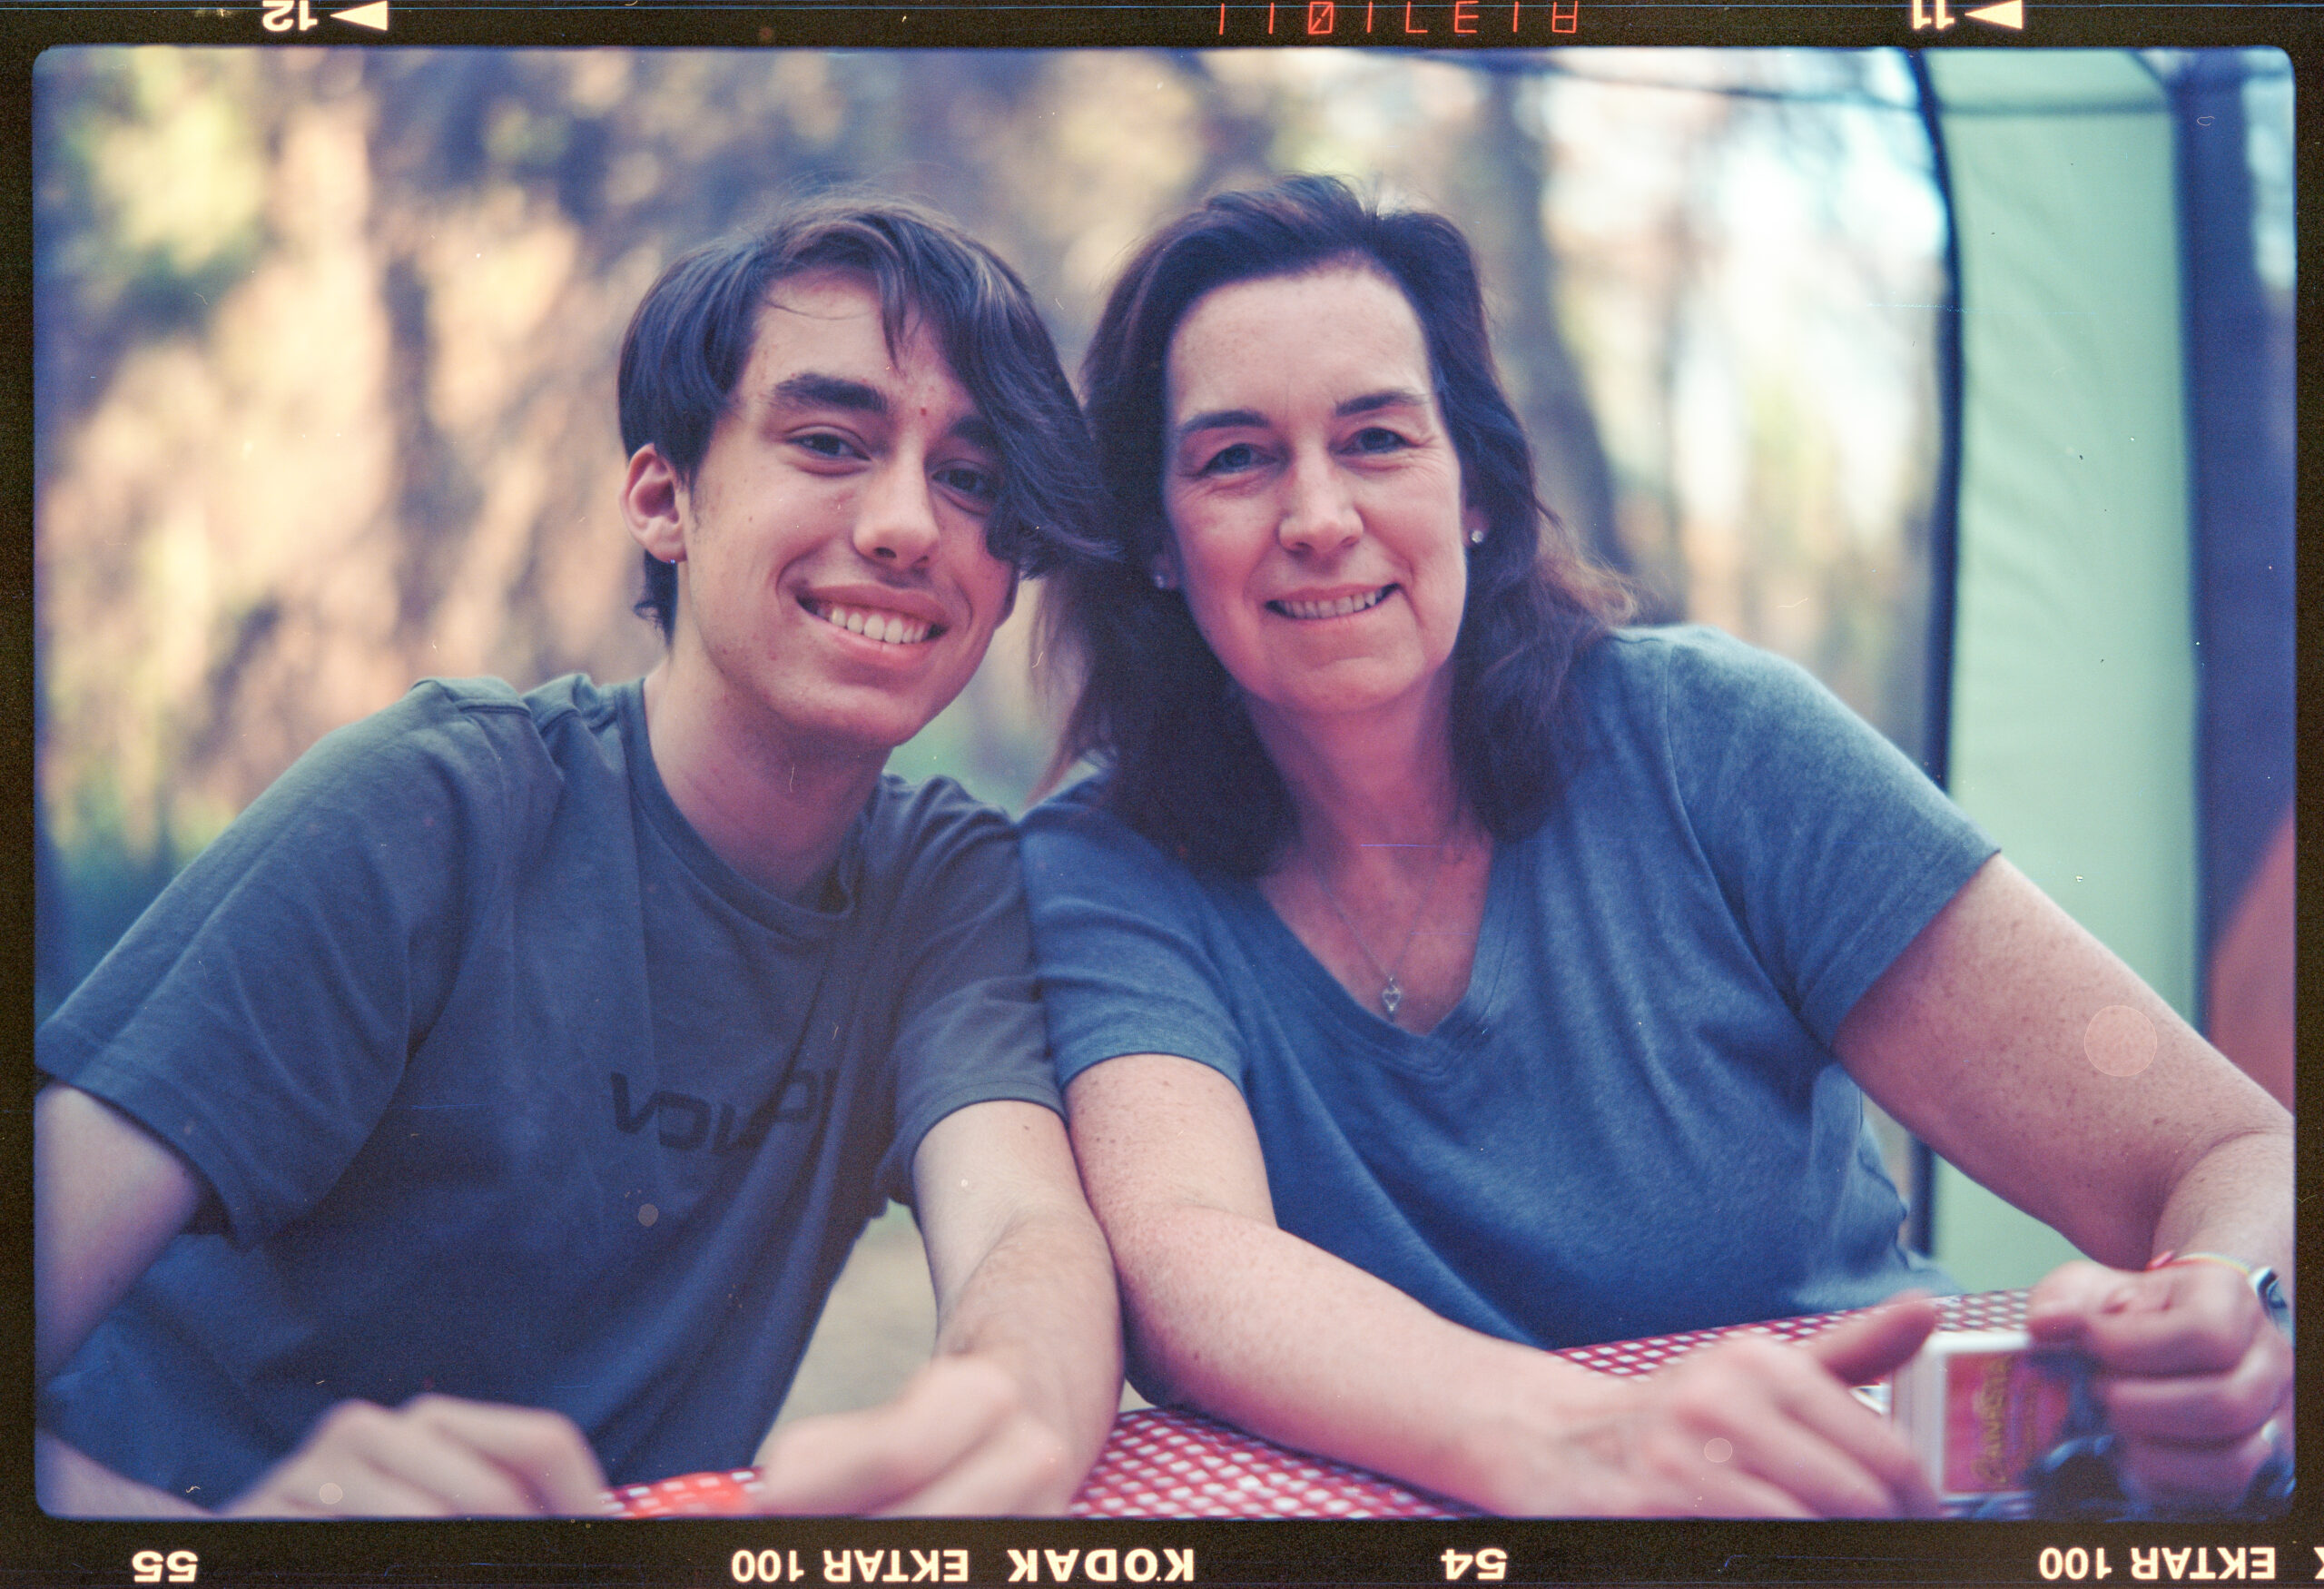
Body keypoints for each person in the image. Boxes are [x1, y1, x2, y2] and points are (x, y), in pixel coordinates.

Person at [1021, 175, 2291, 1518]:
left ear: (1478, 494)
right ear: (1156, 542)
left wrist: (2218, 1311)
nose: (1320, 513)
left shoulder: (1717, 743)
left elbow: (2233, 1150)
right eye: (1236, 458)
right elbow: (1186, 1255)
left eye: (1380, 437)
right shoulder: (1109, 861)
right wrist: (1579, 1438)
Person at [36, 196, 1122, 1518]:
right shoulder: (436, 808)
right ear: (663, 498)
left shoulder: (940, 887)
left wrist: (1006, 1406)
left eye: (973, 477)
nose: (909, 524)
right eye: (830, 442)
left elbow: (1023, 1226)